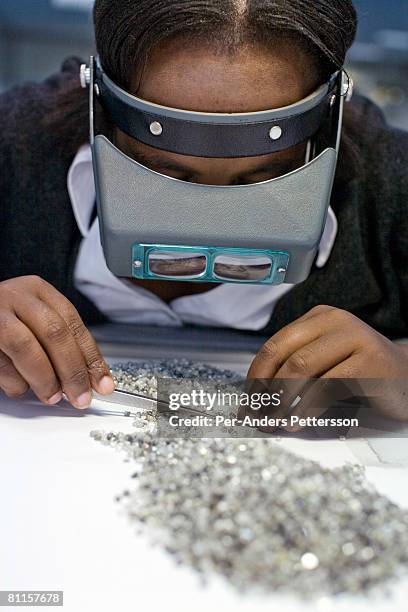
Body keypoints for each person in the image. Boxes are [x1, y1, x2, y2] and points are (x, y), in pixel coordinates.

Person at [0, 0, 407, 419]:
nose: (208, 227)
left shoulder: (392, 188)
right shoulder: (12, 148)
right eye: (166, 172)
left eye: (262, 177)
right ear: (102, 110)